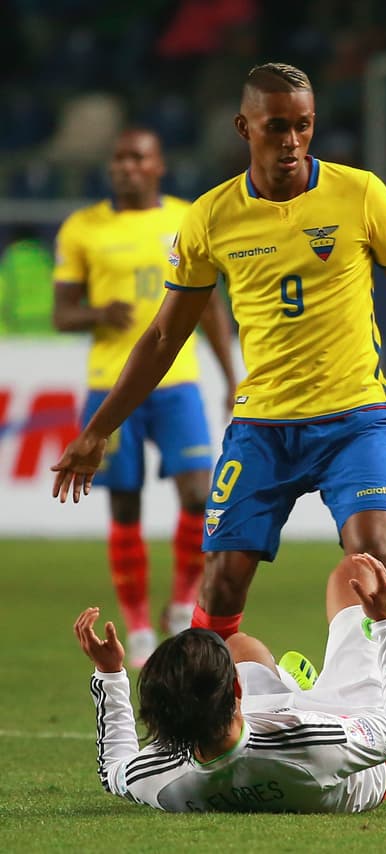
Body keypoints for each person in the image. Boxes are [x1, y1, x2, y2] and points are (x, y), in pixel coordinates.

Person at [51, 63, 386, 681]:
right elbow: (166, 334)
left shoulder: (361, 194)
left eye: (304, 126)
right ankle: (220, 723)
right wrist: (99, 427)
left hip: (354, 419)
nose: (292, 142)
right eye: (277, 128)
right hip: (263, 428)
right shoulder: (211, 217)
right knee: (220, 590)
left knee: (370, 561)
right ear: (244, 127)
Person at [51, 127, 237, 668]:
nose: (126, 166)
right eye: (119, 158)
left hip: (177, 382)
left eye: (138, 158)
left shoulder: (187, 217)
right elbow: (62, 312)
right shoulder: (83, 228)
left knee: (200, 495)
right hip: (111, 385)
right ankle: (135, 628)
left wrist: (229, 376)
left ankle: (180, 606)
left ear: (159, 166)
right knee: (124, 503)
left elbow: (209, 308)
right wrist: (97, 314)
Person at [76, 553, 386, 813]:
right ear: (235, 690)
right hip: (357, 742)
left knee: (238, 646)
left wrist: (109, 673)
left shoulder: (160, 774)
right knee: (357, 573)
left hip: (269, 728)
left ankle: (292, 687)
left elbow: (114, 771)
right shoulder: (311, 742)